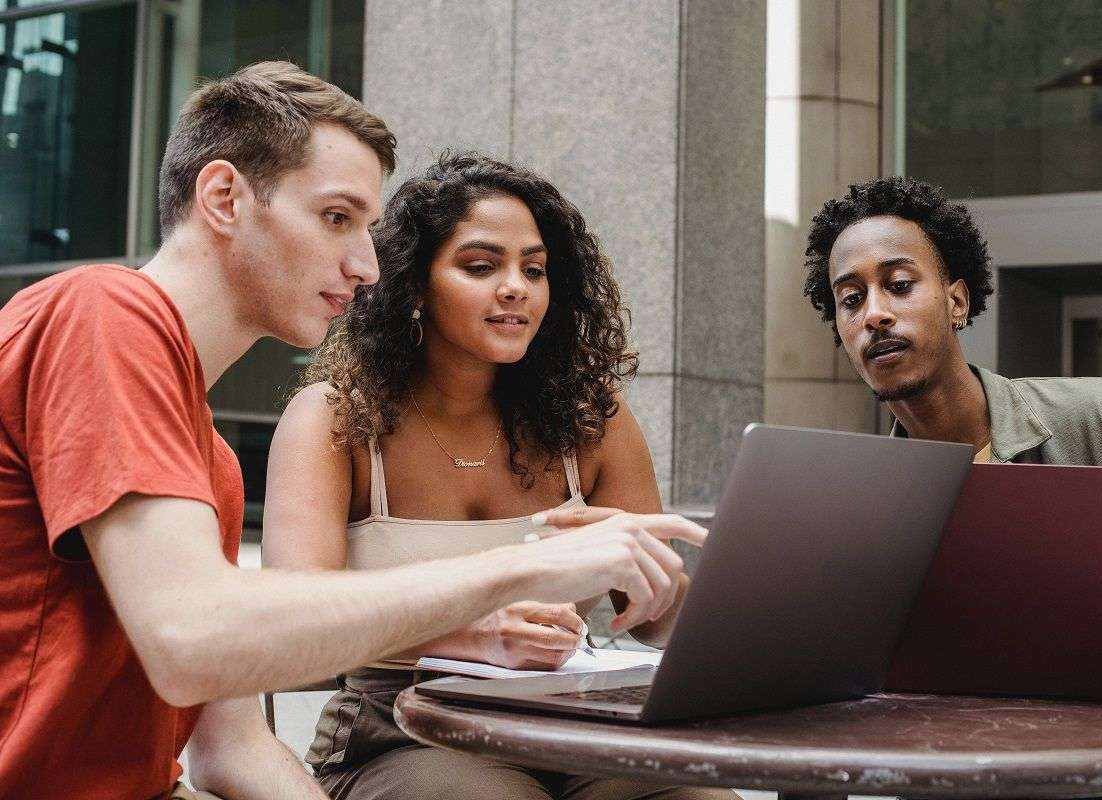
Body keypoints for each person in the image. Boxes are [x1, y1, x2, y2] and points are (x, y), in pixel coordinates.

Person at [0, 63, 703, 800]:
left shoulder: (209, 462)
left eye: (368, 230)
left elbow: (234, 753)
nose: (368, 266)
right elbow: (190, 641)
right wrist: (525, 571)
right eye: (337, 218)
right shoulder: (101, 310)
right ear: (223, 197)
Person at [261, 149, 732, 799]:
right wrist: (472, 635)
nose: (515, 286)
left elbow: (656, 627)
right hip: (405, 729)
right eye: (481, 266)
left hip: (579, 723)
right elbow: (290, 621)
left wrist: (661, 591)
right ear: (414, 284)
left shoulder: (590, 418)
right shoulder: (335, 419)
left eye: (533, 270)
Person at [802, 175, 1102, 688]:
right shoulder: (864, 503)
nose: (874, 314)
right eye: (851, 299)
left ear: (957, 303)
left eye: (899, 286)